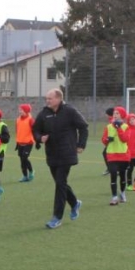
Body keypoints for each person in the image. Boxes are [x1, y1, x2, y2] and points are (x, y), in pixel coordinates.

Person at [31, 88, 88, 229]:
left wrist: (81, 144)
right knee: (60, 183)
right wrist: (39, 138)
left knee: (60, 183)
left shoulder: (70, 111)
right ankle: (74, 203)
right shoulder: (44, 113)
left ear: (58, 98)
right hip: (52, 154)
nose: (47, 101)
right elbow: (35, 130)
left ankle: (57, 217)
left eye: (50, 98)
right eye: (46, 98)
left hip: (67, 153)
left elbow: (83, 127)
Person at [102, 106, 131, 205]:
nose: (115, 115)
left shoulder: (126, 127)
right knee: (113, 175)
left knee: (122, 176)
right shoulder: (108, 127)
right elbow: (103, 140)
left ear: (122, 115)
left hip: (123, 155)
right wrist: (107, 140)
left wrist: (118, 128)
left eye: (117, 113)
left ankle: (122, 193)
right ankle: (114, 197)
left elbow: (125, 139)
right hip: (111, 155)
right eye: (114, 113)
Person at [14, 103, 35, 182]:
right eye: (19, 110)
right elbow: (18, 131)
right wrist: (17, 141)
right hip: (20, 143)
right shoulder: (18, 119)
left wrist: (37, 141)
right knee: (22, 160)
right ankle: (25, 176)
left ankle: (31, 171)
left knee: (24, 158)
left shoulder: (30, 120)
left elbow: (35, 130)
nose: (19, 111)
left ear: (26, 111)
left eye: (21, 110)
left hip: (28, 143)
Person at [101, 106, 114, 175]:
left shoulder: (112, 121)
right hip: (110, 141)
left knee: (106, 153)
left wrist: (107, 139)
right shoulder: (111, 120)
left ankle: (110, 169)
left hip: (111, 141)